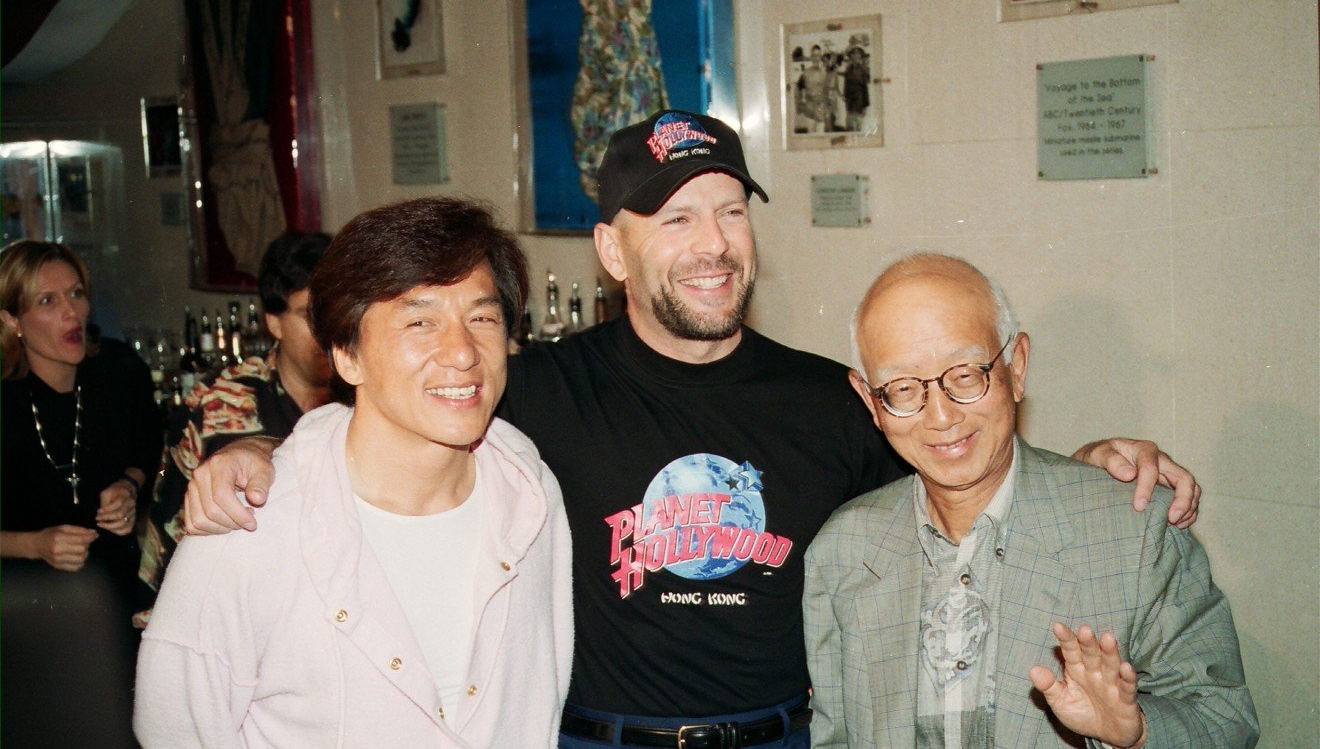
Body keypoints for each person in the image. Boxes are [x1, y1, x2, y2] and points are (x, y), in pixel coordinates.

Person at [182, 110, 1202, 749]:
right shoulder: (529, 390)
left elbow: (958, 450)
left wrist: (1100, 456)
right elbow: (395, 418)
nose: (711, 244)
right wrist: (263, 446)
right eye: (673, 219)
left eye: (729, 210)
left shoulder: (830, 397)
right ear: (613, 252)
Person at [134, 198, 573, 746]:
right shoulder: (248, 524)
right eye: (420, 321)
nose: (462, 352)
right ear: (346, 355)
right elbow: (174, 729)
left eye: (482, 318)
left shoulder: (530, 497)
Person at [804, 253, 1257, 747]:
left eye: (964, 374)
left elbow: (1224, 720)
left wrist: (1138, 733)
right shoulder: (843, 550)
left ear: (1016, 367)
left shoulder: (1132, 532)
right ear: (872, 402)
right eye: (903, 388)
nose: (940, 416)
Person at [138, 231, 333, 598]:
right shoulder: (220, 403)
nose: (328, 331)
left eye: (337, 311)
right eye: (310, 315)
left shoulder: (368, 397)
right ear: (274, 322)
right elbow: (166, 538)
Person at [0, 241, 156, 600]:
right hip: (24, 600)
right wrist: (35, 545)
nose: (71, 312)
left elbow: (148, 448)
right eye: (47, 301)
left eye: (76, 293)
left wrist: (129, 486)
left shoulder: (119, 371)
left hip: (115, 586)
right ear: (12, 320)